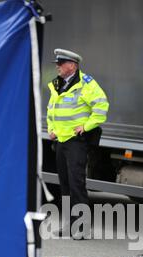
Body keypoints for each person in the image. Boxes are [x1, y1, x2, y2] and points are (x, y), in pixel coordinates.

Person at [47, 48, 109, 238]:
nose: (57, 66)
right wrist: (51, 128)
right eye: (57, 63)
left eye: (61, 63)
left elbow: (101, 105)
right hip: (61, 141)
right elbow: (52, 109)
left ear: (72, 65)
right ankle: (69, 224)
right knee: (64, 185)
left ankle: (81, 228)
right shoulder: (57, 84)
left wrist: (87, 126)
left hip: (76, 143)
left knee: (76, 184)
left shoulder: (86, 83)